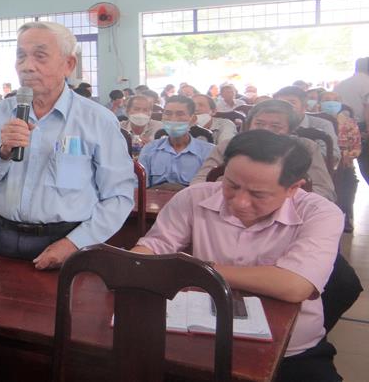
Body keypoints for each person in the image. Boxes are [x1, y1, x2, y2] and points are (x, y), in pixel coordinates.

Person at [132, 130, 343, 382]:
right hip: (199, 340)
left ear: (293, 188)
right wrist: (136, 262)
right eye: (231, 185)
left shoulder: (320, 213)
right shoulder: (193, 197)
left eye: (258, 194)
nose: (240, 202)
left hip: (290, 351)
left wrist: (196, 269)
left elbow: (294, 285)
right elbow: (155, 248)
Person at [0, 21, 135, 270]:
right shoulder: (0, 112)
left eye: (40, 56)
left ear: (68, 64)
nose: (27, 66)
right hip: (1, 238)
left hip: (67, 240)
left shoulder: (97, 120)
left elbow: (119, 196)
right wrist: (2, 153)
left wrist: (74, 243)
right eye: (21, 56)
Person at [191, 100, 337, 202]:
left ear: (290, 130)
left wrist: (275, 198)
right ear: (249, 125)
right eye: (259, 124)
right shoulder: (228, 145)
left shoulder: (306, 148)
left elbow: (324, 192)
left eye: (276, 126)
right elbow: (199, 181)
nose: (265, 131)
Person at [138, 96, 214, 188]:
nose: (173, 119)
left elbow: (209, 189)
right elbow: (139, 187)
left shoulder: (208, 151)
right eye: (168, 114)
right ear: (162, 118)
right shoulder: (149, 149)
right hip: (154, 196)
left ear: (193, 119)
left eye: (180, 114)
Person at [320, 91, 362, 232]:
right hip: (321, 161)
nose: (331, 102)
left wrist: (348, 155)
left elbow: (356, 146)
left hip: (343, 162)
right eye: (327, 99)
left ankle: (345, 215)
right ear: (320, 103)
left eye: (335, 100)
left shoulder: (349, 122)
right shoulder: (315, 120)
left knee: (350, 182)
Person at [274, 86, 341, 167]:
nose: (285, 108)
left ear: (304, 107)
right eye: (280, 104)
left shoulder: (322, 125)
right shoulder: (269, 124)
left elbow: (333, 155)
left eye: (291, 103)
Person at [334, 57, 369, 186]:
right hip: (362, 127)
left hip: (341, 128)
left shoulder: (340, 85)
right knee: (366, 160)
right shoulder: (367, 83)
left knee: (347, 162)